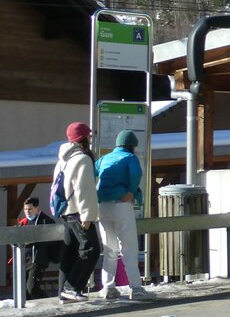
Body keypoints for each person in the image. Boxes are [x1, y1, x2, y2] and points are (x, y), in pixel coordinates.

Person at [94, 130, 150, 300]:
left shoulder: (104, 159)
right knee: (129, 247)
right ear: (132, 146)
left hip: (102, 206)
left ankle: (108, 287)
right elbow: (136, 174)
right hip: (121, 204)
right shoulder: (130, 158)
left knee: (109, 248)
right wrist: (131, 192)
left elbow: (92, 174)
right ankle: (136, 288)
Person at [52, 122, 101, 303]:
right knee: (91, 249)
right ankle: (71, 288)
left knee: (70, 250)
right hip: (78, 211)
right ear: (84, 139)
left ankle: (63, 291)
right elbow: (84, 189)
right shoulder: (83, 159)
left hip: (65, 211)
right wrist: (88, 216)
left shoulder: (63, 159)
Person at [16, 197, 59, 299]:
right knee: (24, 291)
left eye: (30, 209)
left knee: (32, 288)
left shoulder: (46, 221)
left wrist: (33, 240)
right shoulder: (23, 222)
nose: (27, 212)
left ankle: (49, 304)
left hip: (38, 260)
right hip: (25, 260)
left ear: (37, 208)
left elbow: (52, 239)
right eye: (25, 209)